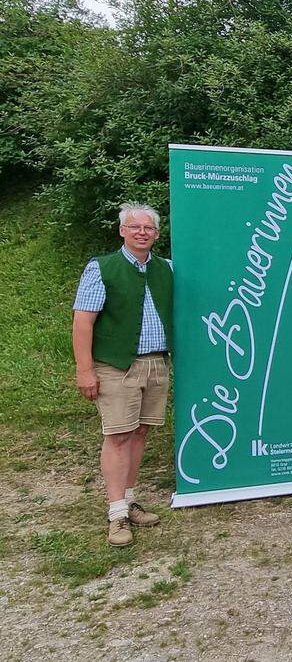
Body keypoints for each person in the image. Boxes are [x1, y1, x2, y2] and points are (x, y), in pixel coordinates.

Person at [72, 203, 172, 547]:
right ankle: (116, 514)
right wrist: (85, 370)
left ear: (157, 234)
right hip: (116, 365)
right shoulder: (102, 268)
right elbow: (83, 321)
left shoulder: (166, 269)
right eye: (135, 227)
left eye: (149, 228)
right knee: (118, 435)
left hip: (156, 362)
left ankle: (129, 500)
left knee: (141, 431)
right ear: (122, 231)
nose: (142, 232)